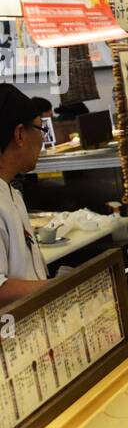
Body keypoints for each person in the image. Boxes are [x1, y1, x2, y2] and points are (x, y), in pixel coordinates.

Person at [0, 85, 52, 303]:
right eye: (41, 129)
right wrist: (62, 287)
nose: (43, 140)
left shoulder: (10, 192)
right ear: (20, 134)